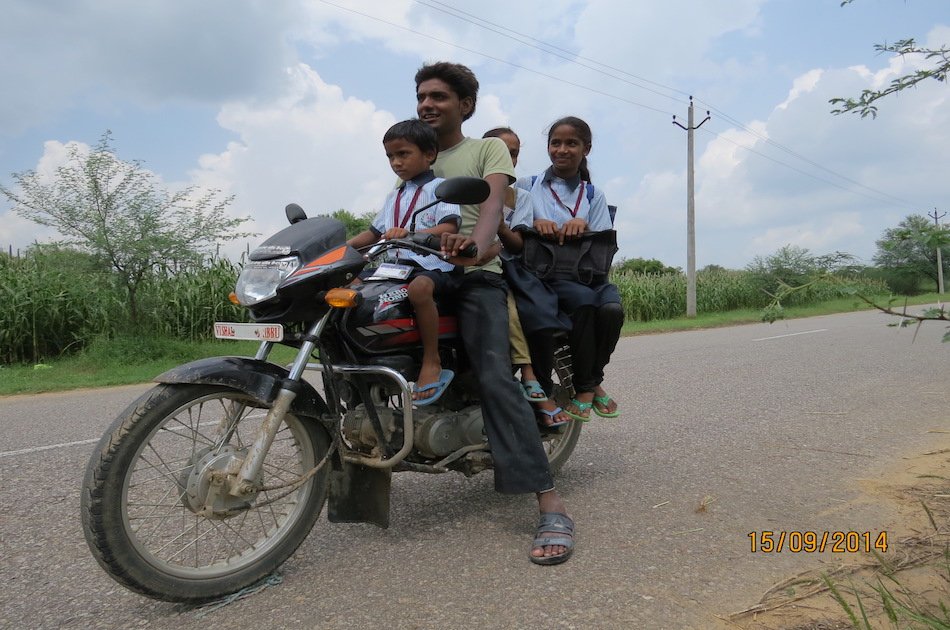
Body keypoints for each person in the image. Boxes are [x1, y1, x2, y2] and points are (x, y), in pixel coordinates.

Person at [415, 61, 575, 565]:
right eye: (421, 96)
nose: (427, 104)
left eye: (438, 96)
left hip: (472, 273)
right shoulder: (413, 153)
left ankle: (549, 500)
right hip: (417, 268)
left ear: (465, 105)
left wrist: (481, 248)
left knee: (493, 373)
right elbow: (394, 211)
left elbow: (488, 203)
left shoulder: (487, 148)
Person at [511, 116, 624, 422]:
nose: (562, 150)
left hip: (589, 275)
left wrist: (582, 223)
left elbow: (602, 243)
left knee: (612, 310)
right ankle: (588, 388)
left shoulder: (592, 194)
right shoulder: (528, 186)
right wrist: (534, 221)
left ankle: (591, 381)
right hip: (549, 274)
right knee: (583, 303)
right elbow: (513, 223)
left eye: (571, 143)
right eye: (555, 143)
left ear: (585, 148)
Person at [347, 119, 461, 405]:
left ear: (429, 154)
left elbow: (449, 227)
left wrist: (411, 233)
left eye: (403, 154)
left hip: (433, 266)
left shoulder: (440, 189)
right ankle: (359, 361)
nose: (396, 162)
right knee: (351, 286)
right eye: (390, 156)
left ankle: (431, 359)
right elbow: (372, 233)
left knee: (420, 289)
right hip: (395, 269)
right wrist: (339, 247)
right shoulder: (394, 195)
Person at [483, 126, 571, 429]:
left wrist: (496, 222)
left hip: (508, 269)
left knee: (525, 311)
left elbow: (518, 244)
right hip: (472, 265)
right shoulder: (468, 189)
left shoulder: (520, 196)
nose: (509, 158)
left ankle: (532, 376)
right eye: (501, 152)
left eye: (514, 152)